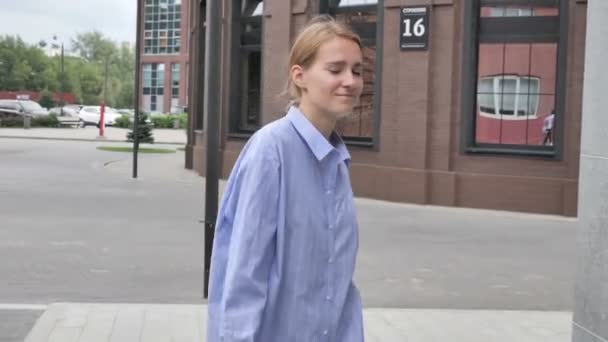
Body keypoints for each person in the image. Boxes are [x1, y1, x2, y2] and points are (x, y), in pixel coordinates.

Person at [206, 15, 365, 342]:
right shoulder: (271, 150)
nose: (350, 81)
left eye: (357, 70)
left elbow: (337, 280)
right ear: (300, 75)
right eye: (336, 70)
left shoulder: (337, 161)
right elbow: (244, 273)